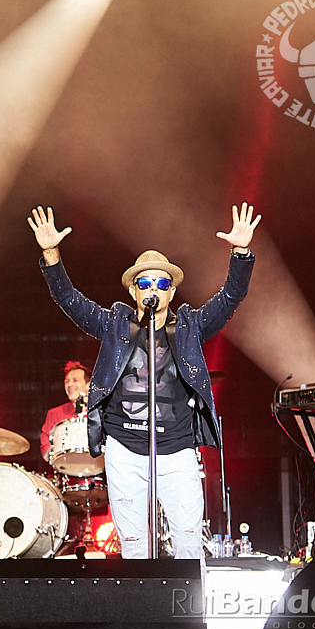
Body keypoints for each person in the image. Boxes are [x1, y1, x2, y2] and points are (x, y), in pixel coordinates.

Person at [28, 203, 260, 560]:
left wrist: (240, 252)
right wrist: (51, 255)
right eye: (145, 282)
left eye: (162, 283)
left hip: (178, 449)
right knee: (134, 546)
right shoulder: (113, 325)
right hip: (124, 449)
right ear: (134, 292)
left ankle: (186, 599)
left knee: (188, 543)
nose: (154, 288)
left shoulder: (191, 326)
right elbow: (69, 300)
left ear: (171, 292)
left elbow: (231, 298)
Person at [39, 361, 92, 462]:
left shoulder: (100, 413)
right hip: (64, 469)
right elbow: (46, 450)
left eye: (75, 380)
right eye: (67, 381)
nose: (70, 384)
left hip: (95, 469)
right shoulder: (54, 414)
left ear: (88, 385)